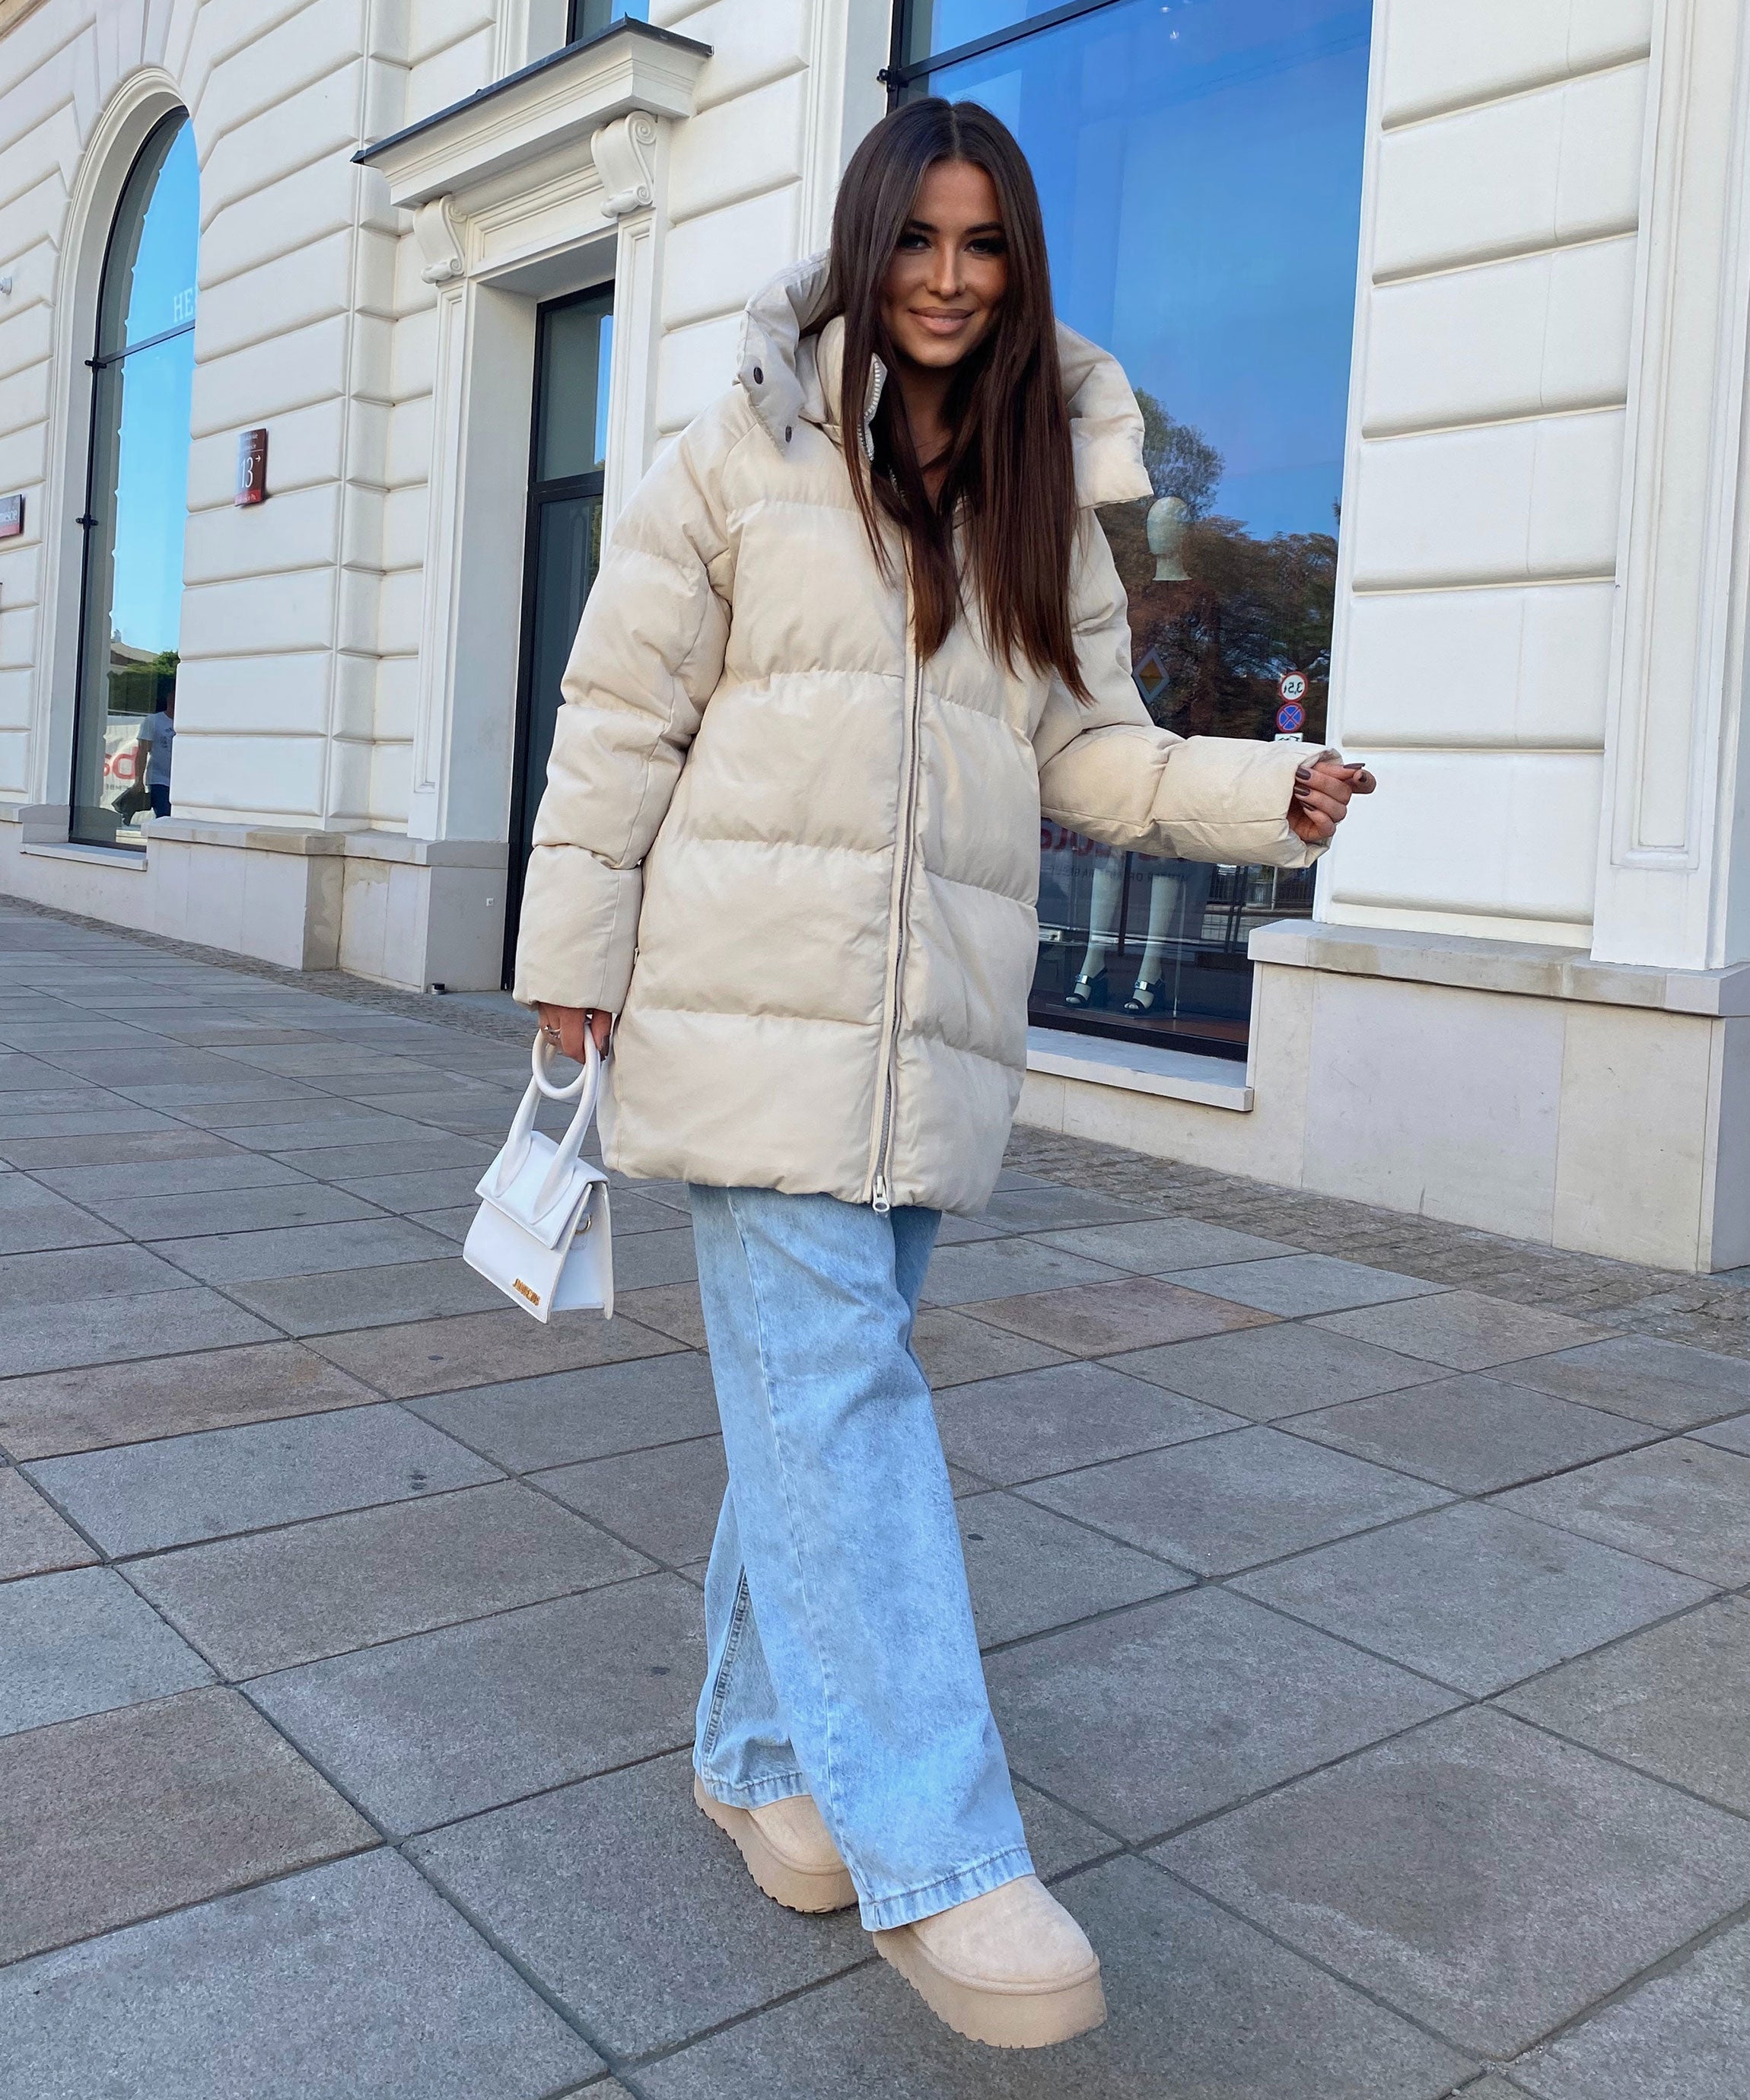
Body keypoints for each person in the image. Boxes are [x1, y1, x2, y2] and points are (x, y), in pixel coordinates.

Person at [515, 98, 1372, 2051]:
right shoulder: (742, 443)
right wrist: (570, 960)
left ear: (1018, 267)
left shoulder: (1035, 485)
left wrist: (1265, 794)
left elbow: (1085, 748)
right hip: (743, 1001)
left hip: (927, 1037)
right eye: (920, 237)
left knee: (811, 1409)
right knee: (840, 1403)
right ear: (865, 238)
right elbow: (617, 707)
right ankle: (940, 1847)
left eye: (986, 246)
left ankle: (749, 1750)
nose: (949, 277)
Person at [136, 686, 174, 818]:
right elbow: (142, 751)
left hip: (181, 781)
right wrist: (139, 780)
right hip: (159, 779)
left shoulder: (188, 723)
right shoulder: (153, 721)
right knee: (164, 816)